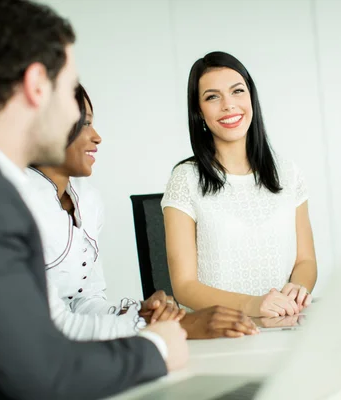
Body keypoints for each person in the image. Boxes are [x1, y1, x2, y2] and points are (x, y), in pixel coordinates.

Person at [0, 1, 187, 399]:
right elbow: (44, 374)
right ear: (37, 85)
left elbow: (46, 329)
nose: (77, 112)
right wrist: (157, 348)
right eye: (70, 89)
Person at [27, 84, 259, 340]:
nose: (96, 137)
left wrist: (140, 313)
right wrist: (175, 327)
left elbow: (85, 302)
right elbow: (47, 324)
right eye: (84, 123)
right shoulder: (15, 202)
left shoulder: (87, 199)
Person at [162, 51, 317, 317]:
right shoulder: (184, 179)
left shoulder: (288, 173)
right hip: (221, 330)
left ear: (251, 98)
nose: (228, 105)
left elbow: (306, 260)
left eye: (237, 91)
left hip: (283, 324)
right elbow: (184, 286)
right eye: (212, 97)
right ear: (198, 111)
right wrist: (251, 305)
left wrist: (297, 288)